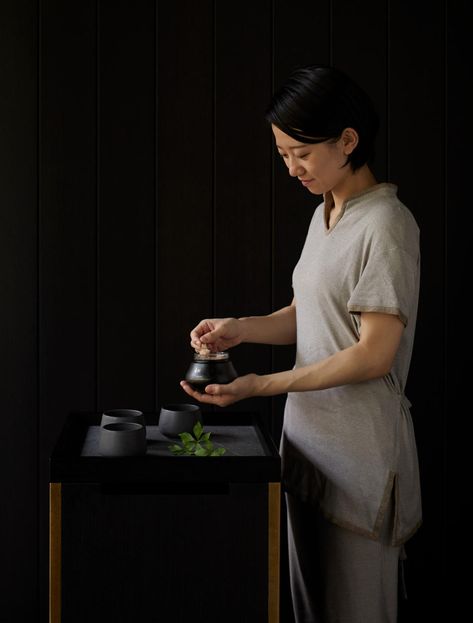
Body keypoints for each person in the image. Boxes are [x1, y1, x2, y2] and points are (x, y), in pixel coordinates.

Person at [180, 64, 422, 623]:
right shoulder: (325, 214)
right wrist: (240, 326)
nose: (291, 168)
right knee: (308, 608)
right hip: (307, 445)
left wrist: (261, 385)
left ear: (348, 141)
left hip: (360, 454)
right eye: (283, 154)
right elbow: (308, 316)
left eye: (301, 153)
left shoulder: (387, 224)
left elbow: (373, 353)